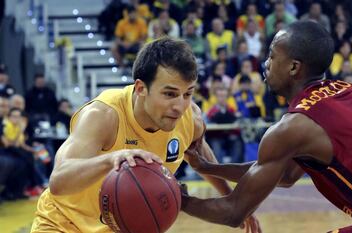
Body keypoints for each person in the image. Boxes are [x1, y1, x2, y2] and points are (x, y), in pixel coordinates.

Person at [181, 21, 352, 233]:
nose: (266, 63)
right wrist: (208, 167)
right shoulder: (347, 90)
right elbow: (286, 175)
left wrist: (178, 200)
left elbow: (233, 212)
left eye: (272, 56)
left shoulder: (294, 127)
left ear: (293, 68)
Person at [30, 38, 259, 233]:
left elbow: (201, 157)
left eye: (187, 93)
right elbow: (59, 181)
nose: (180, 106)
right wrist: (111, 159)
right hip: (62, 223)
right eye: (169, 94)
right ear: (141, 88)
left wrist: (233, 202)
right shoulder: (104, 115)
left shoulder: (189, 117)